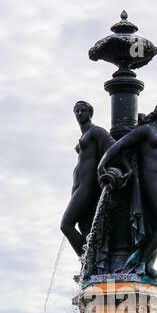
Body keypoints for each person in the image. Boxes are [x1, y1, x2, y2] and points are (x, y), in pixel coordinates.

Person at [96, 101, 157, 283]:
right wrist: (102, 164)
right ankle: (140, 262)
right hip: (151, 180)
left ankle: (148, 264)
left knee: (156, 226)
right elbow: (119, 145)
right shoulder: (145, 130)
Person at [60, 101, 114, 256]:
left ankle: (86, 260)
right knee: (85, 227)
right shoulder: (84, 135)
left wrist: (106, 168)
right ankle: (92, 260)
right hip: (78, 184)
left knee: (66, 225)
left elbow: (114, 147)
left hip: (88, 184)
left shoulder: (97, 131)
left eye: (83, 110)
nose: (79, 114)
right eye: (76, 111)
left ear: (90, 113)